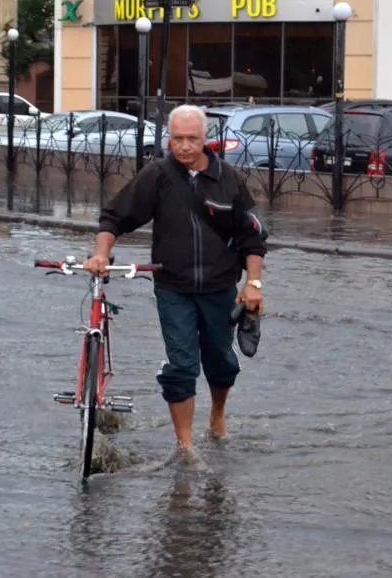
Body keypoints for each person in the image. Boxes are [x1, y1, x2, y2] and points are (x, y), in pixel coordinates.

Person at [84, 104, 268, 463]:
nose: (184, 147)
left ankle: (216, 416)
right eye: (178, 139)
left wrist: (254, 284)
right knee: (182, 365)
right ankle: (184, 447)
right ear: (169, 139)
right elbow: (115, 217)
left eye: (192, 139)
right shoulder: (158, 176)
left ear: (206, 140)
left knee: (221, 361)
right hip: (173, 289)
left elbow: (253, 238)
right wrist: (101, 253)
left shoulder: (229, 179)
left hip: (220, 289)